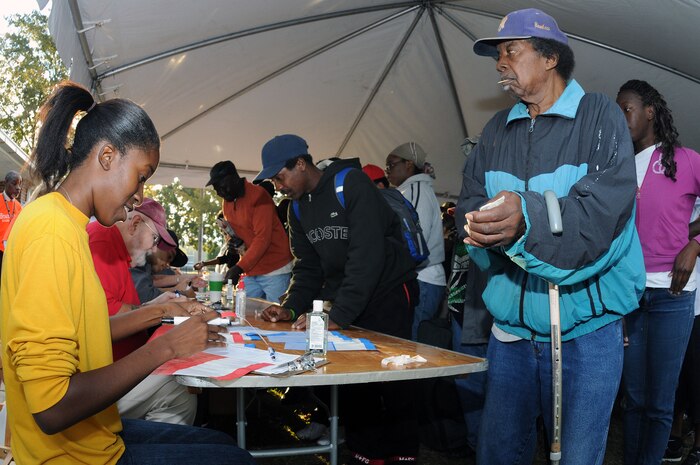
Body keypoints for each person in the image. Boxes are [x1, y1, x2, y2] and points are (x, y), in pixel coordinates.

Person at [0, 81, 254, 464]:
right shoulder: (50, 233)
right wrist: (166, 346)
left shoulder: (65, 223)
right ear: (106, 156)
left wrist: (160, 311)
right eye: (141, 176)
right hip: (67, 455)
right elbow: (51, 408)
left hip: (93, 435)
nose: (139, 196)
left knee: (226, 447)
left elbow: (85, 330)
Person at [457, 9, 644, 464]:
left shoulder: (599, 115)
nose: (500, 63)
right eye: (498, 54)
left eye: (511, 51)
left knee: (578, 456)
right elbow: (468, 203)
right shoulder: (496, 131)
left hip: (586, 333)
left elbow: (602, 215)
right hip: (511, 333)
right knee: (499, 453)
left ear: (549, 58)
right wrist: (482, 232)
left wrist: (525, 218)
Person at [256, 134, 420, 465]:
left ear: (300, 164)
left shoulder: (351, 184)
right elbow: (308, 269)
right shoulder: (297, 209)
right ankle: (365, 451)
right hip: (348, 295)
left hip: (388, 290)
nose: (278, 186)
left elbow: (367, 256)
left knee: (394, 375)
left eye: (280, 177)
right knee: (353, 375)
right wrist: (289, 306)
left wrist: (338, 314)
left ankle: (403, 451)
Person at [616, 79, 700, 465]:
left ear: (650, 111)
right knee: (633, 400)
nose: (622, 116)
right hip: (628, 295)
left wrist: (695, 245)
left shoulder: (685, 159)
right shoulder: (616, 166)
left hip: (673, 294)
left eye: (627, 108)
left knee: (661, 403)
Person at [88, 198, 202, 425]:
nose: (153, 249)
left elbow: (122, 310)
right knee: (179, 387)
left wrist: (157, 304)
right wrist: (160, 309)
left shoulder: (117, 248)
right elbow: (109, 321)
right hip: (103, 378)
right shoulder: (102, 241)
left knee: (181, 386)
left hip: (116, 367)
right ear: (135, 223)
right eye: (155, 239)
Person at [206, 160, 293, 302]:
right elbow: (235, 233)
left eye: (222, 187)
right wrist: (233, 243)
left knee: (276, 315)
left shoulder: (259, 196)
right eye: (216, 189)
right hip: (251, 269)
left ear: (234, 178)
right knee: (244, 313)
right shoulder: (227, 202)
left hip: (275, 268)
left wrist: (238, 268)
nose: (220, 193)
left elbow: (262, 239)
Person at [385, 142, 446, 340]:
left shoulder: (418, 190)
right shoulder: (407, 191)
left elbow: (415, 240)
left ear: (409, 164)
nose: (388, 171)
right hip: (416, 277)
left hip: (423, 279)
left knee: (414, 345)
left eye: (391, 165)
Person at [666, 202, 700, 465]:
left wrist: (681, 233)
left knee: (696, 371)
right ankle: (674, 433)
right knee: (676, 370)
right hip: (676, 288)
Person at [0, 170, 22, 278]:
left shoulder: (19, 207)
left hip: (11, 253)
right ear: (5, 183)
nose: (18, 188)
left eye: (19, 185)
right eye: (14, 184)